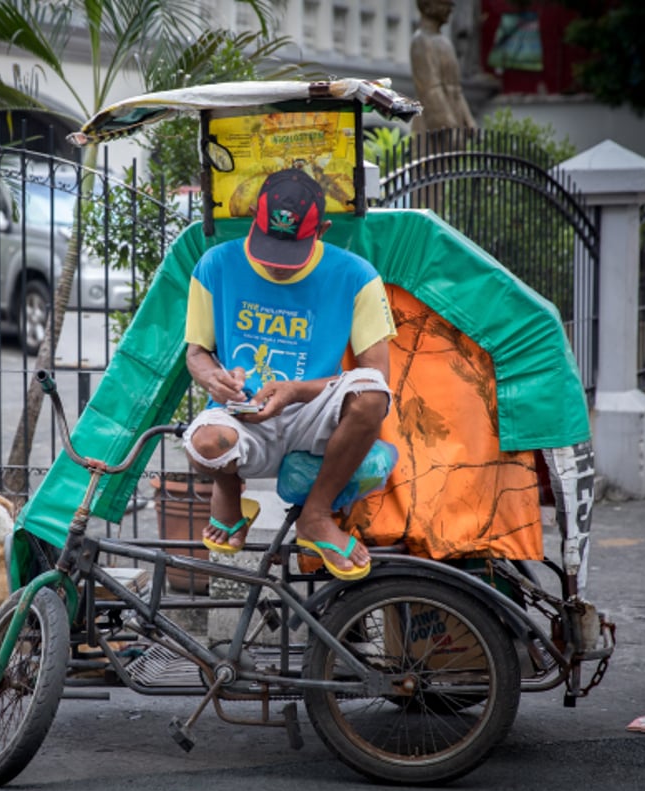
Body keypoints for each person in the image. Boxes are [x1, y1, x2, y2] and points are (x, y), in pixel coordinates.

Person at [182, 169, 395, 580]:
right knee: (204, 442)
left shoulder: (356, 276)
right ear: (254, 222)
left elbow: (377, 374)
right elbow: (197, 353)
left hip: (315, 414)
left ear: (324, 230)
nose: (277, 266)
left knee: (372, 393)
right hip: (240, 414)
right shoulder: (215, 265)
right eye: (268, 247)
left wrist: (297, 390)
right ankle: (229, 491)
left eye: (290, 251)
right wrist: (214, 379)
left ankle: (315, 515)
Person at [410, 0, 476, 133]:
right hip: (434, 124)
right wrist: (447, 123)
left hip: (453, 114)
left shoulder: (445, 42)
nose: (451, 7)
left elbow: (456, 89)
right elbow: (430, 90)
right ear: (427, 6)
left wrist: (468, 119)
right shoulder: (421, 40)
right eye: (444, 3)